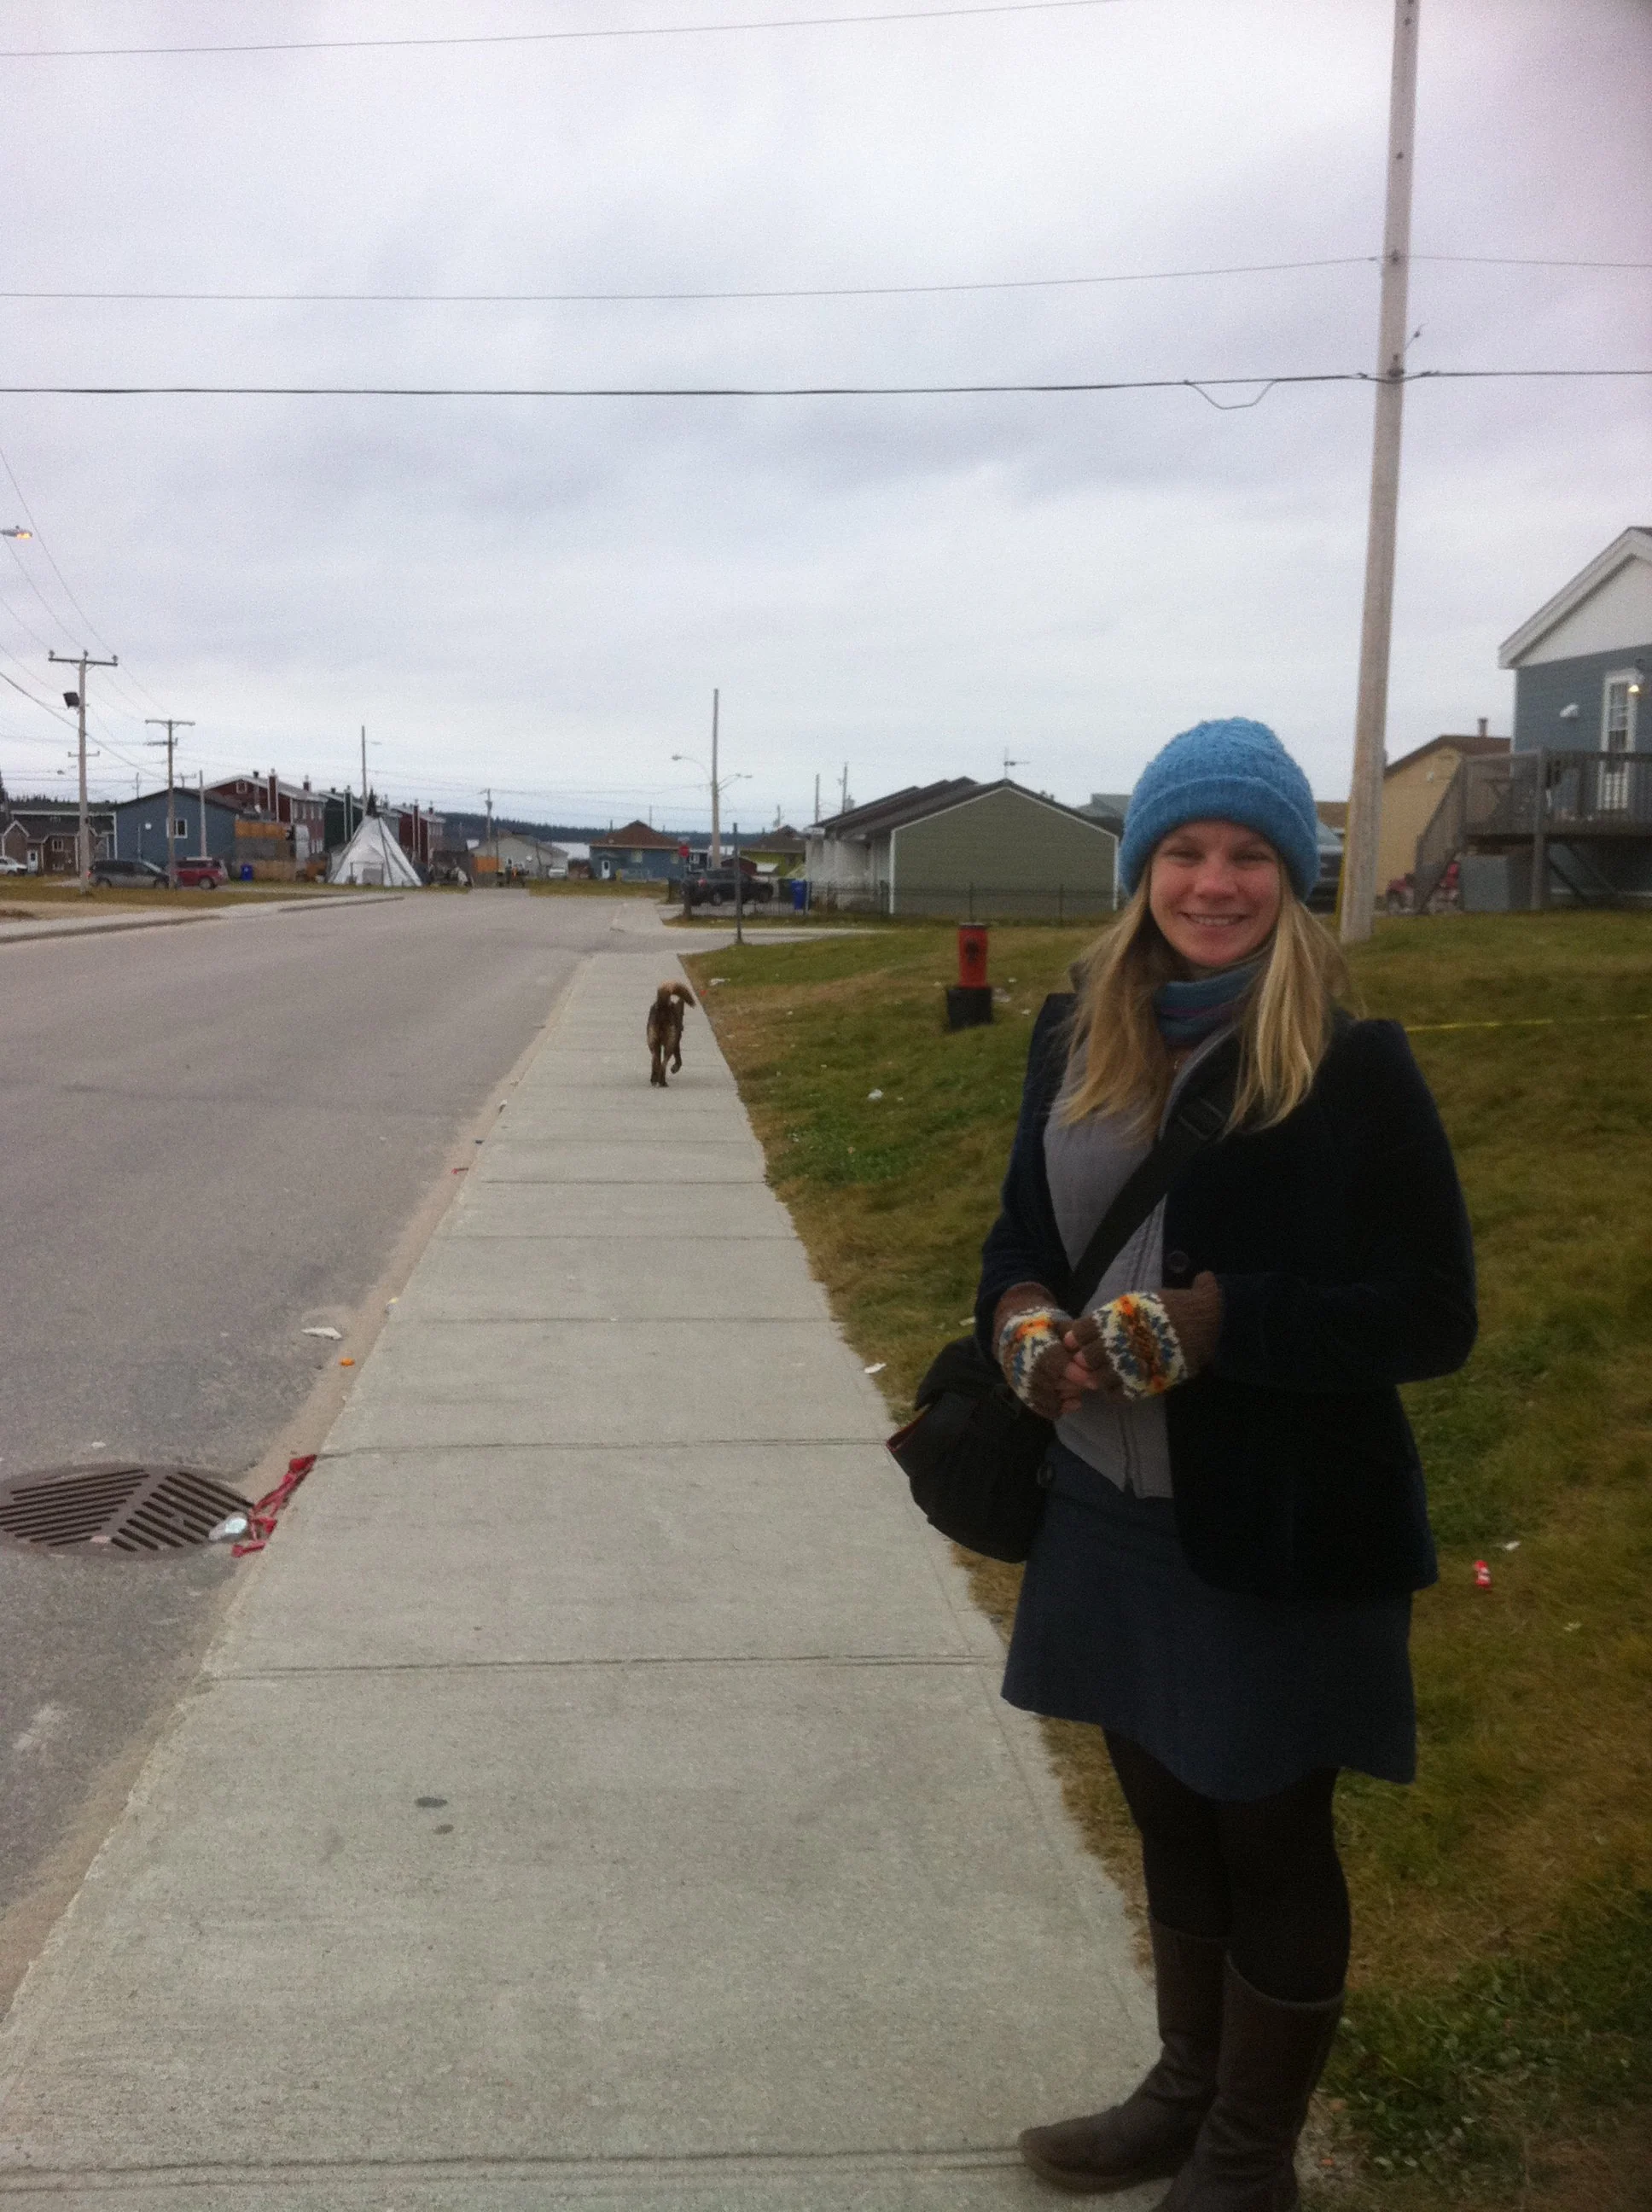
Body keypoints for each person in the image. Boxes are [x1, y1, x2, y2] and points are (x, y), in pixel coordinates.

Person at [976, 719, 1476, 2209]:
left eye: (1250, 853)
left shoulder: (1352, 1066)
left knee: (1270, 1831)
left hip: (1281, 1526)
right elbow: (1018, 1239)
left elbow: (1432, 1313)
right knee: (1166, 1811)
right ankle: (1182, 2095)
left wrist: (1222, 1322)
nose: (1215, 882)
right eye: (1185, 851)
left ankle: (1250, 2161)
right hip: (1103, 1508)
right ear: (1143, 871)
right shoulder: (1073, 1038)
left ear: (1291, 875)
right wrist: (1020, 1322)